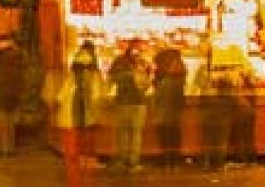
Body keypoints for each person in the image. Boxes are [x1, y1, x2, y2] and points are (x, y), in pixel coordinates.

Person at [49, 41, 103, 187]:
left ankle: (76, 182)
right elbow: (98, 99)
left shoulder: (72, 80)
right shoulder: (92, 80)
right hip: (82, 123)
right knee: (81, 155)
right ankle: (81, 182)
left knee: (73, 156)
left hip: (72, 123)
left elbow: (59, 98)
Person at [108, 38, 151, 173]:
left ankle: (124, 161)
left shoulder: (119, 61)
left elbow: (112, 78)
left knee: (124, 133)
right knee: (135, 133)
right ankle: (132, 163)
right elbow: (148, 82)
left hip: (124, 102)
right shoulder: (143, 62)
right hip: (138, 102)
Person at [0, 34, 25, 156]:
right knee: (9, 124)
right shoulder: (15, 56)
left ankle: (5, 150)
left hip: (0, 95)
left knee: (1, 124)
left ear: (6, 43)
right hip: (10, 95)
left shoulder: (5, 57)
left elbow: (0, 78)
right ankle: (10, 149)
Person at [152, 45, 186, 172]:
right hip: (174, 109)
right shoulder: (180, 69)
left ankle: (167, 160)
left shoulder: (162, 71)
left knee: (165, 135)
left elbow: (157, 87)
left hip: (164, 108)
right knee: (174, 135)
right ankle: (174, 161)